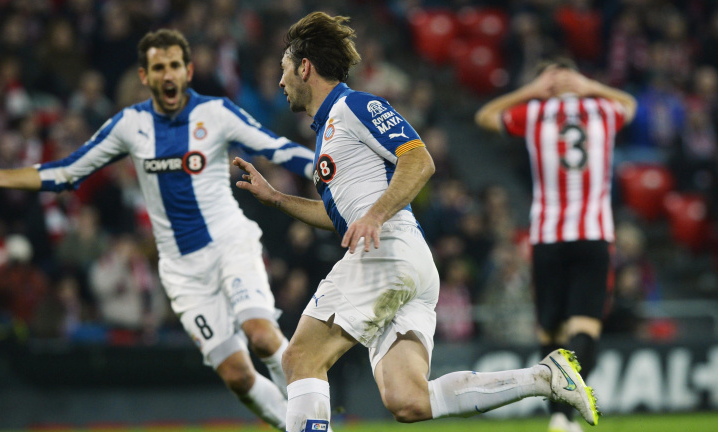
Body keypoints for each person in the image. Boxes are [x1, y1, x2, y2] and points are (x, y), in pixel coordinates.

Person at [232, 12, 600, 432]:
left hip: (386, 252)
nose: (280, 82)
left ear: (304, 67)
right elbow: (342, 219)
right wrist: (277, 199)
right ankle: (545, 378)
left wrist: (375, 215)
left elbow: (419, 160)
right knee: (408, 400)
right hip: (407, 263)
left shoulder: (354, 106)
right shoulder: (328, 131)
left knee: (300, 358)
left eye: (283, 69)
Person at [0, 29, 317, 431]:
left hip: (230, 244)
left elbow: (277, 148)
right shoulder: (130, 125)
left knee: (262, 336)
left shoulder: (216, 113)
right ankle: (296, 423)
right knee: (236, 375)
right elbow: (67, 171)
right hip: (182, 270)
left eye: (175, 65)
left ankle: (314, 422)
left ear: (188, 71)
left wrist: (326, 168)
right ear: (145, 76)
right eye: (158, 67)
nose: (168, 74)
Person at [475, 58, 636, 432]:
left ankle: (559, 417)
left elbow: (484, 116)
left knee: (550, 332)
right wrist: (593, 87)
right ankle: (565, 415)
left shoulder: (533, 114)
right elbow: (631, 105)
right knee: (585, 329)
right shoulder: (603, 110)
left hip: (548, 236)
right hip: (594, 234)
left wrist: (530, 92)